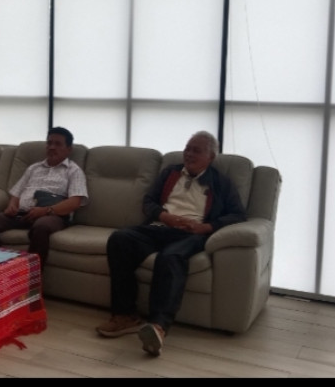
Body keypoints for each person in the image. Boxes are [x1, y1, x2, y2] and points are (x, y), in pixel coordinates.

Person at [95, 130, 247, 357]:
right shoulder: (170, 172)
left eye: (196, 150)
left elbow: (238, 215)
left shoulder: (221, 183)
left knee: (170, 257)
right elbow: (149, 201)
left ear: (211, 157)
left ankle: (158, 327)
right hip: (160, 226)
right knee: (120, 239)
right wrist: (165, 216)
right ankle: (125, 315)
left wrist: (206, 227)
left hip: (191, 234)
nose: (189, 154)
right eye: (187, 148)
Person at [0, 126, 89, 267]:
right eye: (49, 143)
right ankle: (0, 267)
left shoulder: (73, 171)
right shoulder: (34, 168)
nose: (52, 147)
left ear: (69, 149)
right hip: (22, 213)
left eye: (58, 144)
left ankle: (31, 275)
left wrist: (46, 210)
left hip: (52, 215)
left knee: (41, 227)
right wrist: (12, 206)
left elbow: (75, 202)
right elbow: (17, 192)